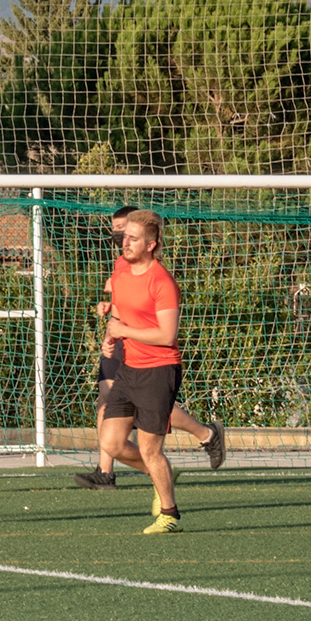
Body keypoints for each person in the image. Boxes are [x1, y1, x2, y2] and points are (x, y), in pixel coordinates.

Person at [73, 204, 224, 490]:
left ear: (148, 241)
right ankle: (108, 471)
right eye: (118, 231)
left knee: (144, 409)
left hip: (150, 353)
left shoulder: (158, 277)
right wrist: (110, 328)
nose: (121, 238)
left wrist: (120, 323)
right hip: (124, 343)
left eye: (126, 232)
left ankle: (199, 438)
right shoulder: (121, 266)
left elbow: (161, 327)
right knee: (107, 404)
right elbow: (121, 301)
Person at [98, 210, 187, 533]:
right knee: (111, 443)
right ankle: (161, 475)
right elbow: (119, 313)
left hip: (158, 371)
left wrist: (123, 331)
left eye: (133, 239)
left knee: (151, 449)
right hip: (129, 369)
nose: (125, 243)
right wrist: (110, 336)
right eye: (125, 237)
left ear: (151, 244)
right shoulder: (121, 273)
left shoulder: (162, 282)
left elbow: (166, 335)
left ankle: (170, 514)